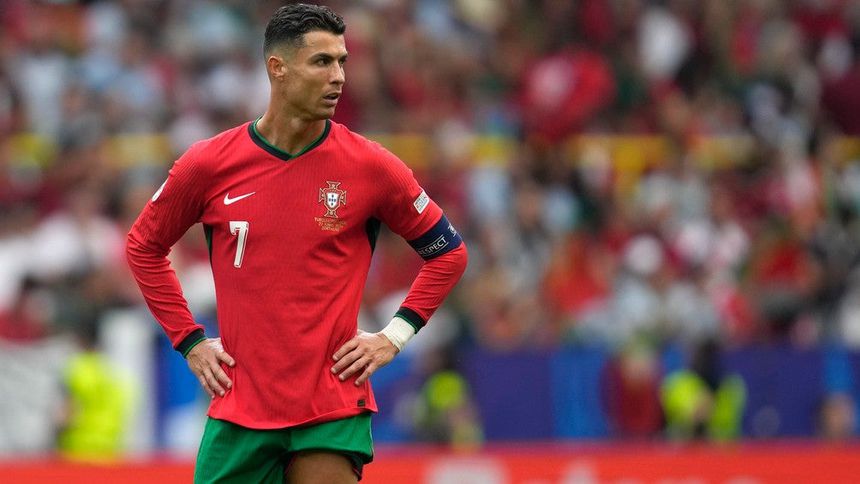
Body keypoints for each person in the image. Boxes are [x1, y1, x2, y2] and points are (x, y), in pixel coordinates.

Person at [125, 4, 468, 483]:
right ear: (277, 68)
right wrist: (190, 341)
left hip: (330, 404)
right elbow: (143, 247)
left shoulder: (371, 166)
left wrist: (394, 336)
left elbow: (448, 253)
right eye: (322, 61)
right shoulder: (209, 164)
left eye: (342, 61)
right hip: (239, 405)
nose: (339, 76)